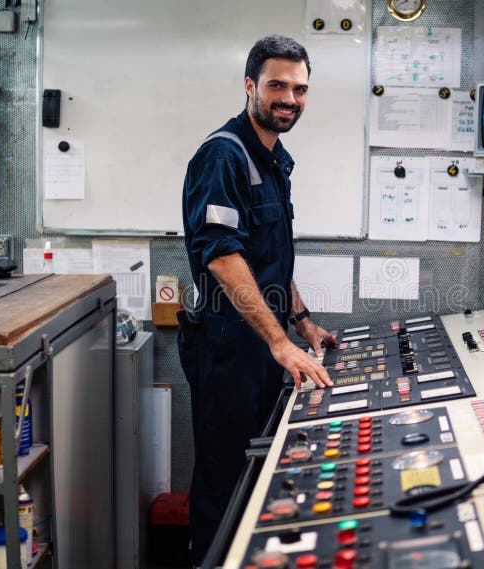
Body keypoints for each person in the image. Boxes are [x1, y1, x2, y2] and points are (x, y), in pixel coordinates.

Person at [177, 35, 336, 567]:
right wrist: (278, 341)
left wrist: (303, 325)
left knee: (255, 476)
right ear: (250, 85)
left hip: (262, 346)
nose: (289, 98)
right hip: (228, 349)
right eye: (277, 86)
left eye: (300, 88)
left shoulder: (274, 158)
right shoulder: (224, 155)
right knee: (225, 480)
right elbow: (224, 259)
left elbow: (268, 259)